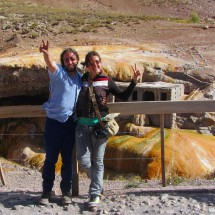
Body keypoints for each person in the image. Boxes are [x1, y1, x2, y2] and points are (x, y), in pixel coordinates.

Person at [75, 51, 141, 208]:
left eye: (98, 62)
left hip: (100, 125)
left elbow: (123, 96)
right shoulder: (82, 80)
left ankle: (94, 194)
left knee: (97, 161)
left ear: (101, 63)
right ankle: (98, 184)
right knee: (83, 160)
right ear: (87, 66)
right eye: (91, 63)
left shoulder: (106, 80)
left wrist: (134, 81)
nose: (95, 65)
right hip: (82, 126)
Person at [39, 40, 82, 205]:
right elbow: (51, 65)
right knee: (50, 159)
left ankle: (66, 192)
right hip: (54, 123)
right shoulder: (58, 73)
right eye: (66, 59)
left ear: (77, 60)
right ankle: (46, 192)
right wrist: (46, 54)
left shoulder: (79, 78)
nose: (69, 62)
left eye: (72, 59)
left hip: (71, 123)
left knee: (68, 160)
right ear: (63, 62)